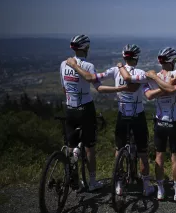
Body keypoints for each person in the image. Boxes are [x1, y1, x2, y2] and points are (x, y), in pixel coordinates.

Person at [66, 44, 155, 197]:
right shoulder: (142, 73)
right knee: (142, 151)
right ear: (137, 58)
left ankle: (119, 184)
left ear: (124, 57)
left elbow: (95, 79)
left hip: (122, 115)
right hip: (137, 116)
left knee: (118, 149)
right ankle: (146, 185)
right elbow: (136, 85)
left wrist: (76, 69)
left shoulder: (114, 71)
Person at [121, 47, 176, 202]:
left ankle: (160, 191)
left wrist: (156, 79)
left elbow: (149, 95)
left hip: (159, 122)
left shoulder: (151, 77)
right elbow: (170, 89)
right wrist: (169, 85)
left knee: (159, 156)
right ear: (173, 61)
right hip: (174, 122)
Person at [61, 34, 125, 191]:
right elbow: (98, 87)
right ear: (86, 48)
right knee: (90, 147)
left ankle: (73, 178)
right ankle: (92, 182)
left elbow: (64, 88)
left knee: (71, 144)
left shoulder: (63, 64)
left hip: (70, 108)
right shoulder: (88, 66)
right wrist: (119, 89)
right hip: (85, 109)